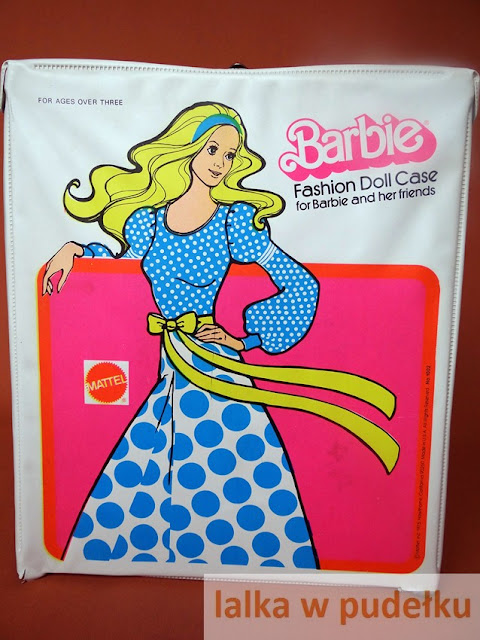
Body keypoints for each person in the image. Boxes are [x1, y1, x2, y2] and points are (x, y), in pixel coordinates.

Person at [43, 102, 397, 569]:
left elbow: (301, 283)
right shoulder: (147, 222)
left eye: (230, 155)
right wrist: (75, 248)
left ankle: (240, 555)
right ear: (188, 150)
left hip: (218, 367)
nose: (220, 162)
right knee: (156, 459)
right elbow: (120, 263)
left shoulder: (234, 222)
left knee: (232, 461)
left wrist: (246, 340)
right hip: (169, 364)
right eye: (213, 149)